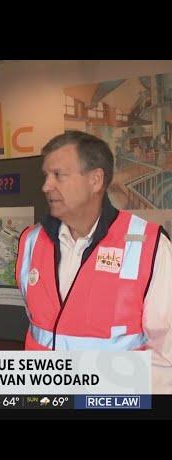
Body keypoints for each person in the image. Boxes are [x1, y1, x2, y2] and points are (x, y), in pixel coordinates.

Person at [16, 130, 172, 393]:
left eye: (58, 175)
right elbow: (37, 322)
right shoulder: (31, 240)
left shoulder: (150, 244)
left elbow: (166, 350)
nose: (46, 186)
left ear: (96, 180)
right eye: (46, 176)